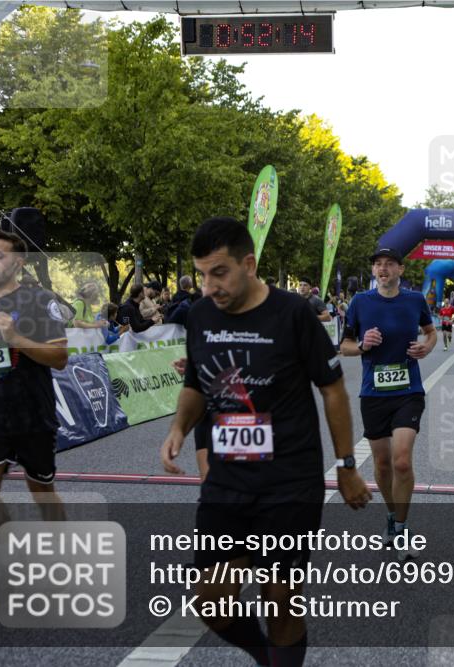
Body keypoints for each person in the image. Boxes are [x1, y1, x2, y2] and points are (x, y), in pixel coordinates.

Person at [160, 217, 371, 666]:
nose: (209, 285)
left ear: (249, 263)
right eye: (202, 274)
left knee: (280, 600)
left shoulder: (293, 313)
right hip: (227, 479)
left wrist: (348, 466)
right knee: (210, 601)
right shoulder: (199, 316)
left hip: (289, 481)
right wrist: (179, 428)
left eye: (219, 272)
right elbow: (197, 383)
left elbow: (332, 389)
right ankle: (265, 658)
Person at [0, 229, 69, 563]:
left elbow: (60, 359)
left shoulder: (40, 300)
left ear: (18, 263)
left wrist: (16, 336)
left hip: (32, 413)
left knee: (42, 492)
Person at [341, 247, 435, 560]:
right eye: (378, 264)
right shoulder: (359, 302)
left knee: (402, 461)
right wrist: (362, 345)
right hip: (373, 394)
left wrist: (427, 347)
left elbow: (431, 332)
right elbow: (345, 346)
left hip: (408, 391)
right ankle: (393, 516)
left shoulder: (414, 300)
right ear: (374, 272)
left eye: (389, 264)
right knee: (381, 464)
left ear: (400, 270)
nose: (383, 269)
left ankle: (404, 527)